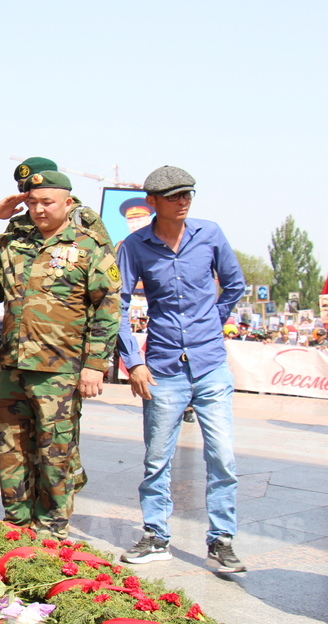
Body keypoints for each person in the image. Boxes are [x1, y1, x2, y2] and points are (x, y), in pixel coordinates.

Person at [0, 170, 120, 538]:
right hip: (12, 365)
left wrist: (96, 364)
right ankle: (17, 522)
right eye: (32, 203)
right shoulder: (15, 242)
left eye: (47, 202)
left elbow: (107, 306)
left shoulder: (89, 246)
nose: (39, 209)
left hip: (59, 369)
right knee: (10, 446)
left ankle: (52, 527)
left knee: (56, 449)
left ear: (68, 203)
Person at [116, 165, 246, 573]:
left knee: (222, 456)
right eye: (174, 195)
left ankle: (222, 540)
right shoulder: (134, 246)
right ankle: (156, 535)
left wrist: (211, 323)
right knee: (157, 459)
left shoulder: (210, 234)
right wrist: (134, 362)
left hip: (210, 365)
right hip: (163, 367)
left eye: (188, 193)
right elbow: (117, 305)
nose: (183, 201)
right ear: (152, 201)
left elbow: (234, 284)